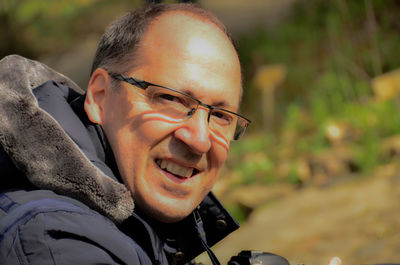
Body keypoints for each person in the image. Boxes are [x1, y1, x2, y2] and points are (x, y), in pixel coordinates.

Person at [0, 3, 341, 265]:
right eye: (172, 99)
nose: (199, 139)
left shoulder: (127, 218)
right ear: (100, 97)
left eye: (221, 115)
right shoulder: (52, 241)